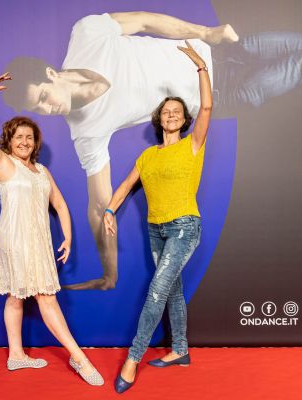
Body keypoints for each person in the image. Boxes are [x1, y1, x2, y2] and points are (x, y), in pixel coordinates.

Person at [2, 12, 302, 289]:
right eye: (38, 109)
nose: (47, 109)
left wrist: (206, 32)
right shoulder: (85, 130)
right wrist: (109, 272)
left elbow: (145, 21)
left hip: (218, 52)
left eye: (43, 97)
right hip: (228, 92)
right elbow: (98, 205)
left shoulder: (86, 34)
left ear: (51, 74)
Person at [0, 72, 103, 386]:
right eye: (19, 137)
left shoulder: (42, 171)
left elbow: (60, 204)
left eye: (29, 137)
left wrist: (67, 236)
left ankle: (16, 355)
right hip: (15, 241)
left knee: (17, 298)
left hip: (40, 242)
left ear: (35, 142)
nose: (24, 142)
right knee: (38, 297)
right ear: (9, 140)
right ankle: (79, 357)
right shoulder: (4, 163)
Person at [100, 41, 212, 393]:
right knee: (173, 291)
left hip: (184, 228)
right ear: (159, 119)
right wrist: (109, 210)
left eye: (177, 111)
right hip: (155, 230)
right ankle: (180, 350)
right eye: (167, 111)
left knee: (156, 292)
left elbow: (207, 105)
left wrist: (201, 67)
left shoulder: (192, 145)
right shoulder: (148, 155)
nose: (172, 114)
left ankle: (132, 359)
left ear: (184, 119)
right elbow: (125, 185)